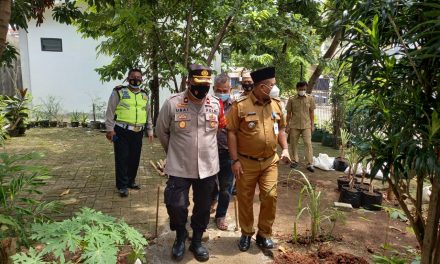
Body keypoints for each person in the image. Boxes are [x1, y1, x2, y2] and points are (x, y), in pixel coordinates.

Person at [156, 64, 222, 262]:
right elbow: (162, 132)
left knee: (203, 207)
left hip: (208, 167)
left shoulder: (216, 104)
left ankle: (197, 241)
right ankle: (180, 236)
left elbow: (216, 133)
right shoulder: (172, 103)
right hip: (179, 166)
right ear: (188, 82)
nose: (202, 89)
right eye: (198, 84)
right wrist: (175, 152)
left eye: (206, 85)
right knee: (176, 205)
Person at [226, 66, 290, 252]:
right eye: (271, 85)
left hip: (270, 161)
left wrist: (285, 148)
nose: (274, 88)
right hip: (246, 162)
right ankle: (246, 233)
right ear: (261, 86)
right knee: (245, 199)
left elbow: (282, 129)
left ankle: (264, 234)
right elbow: (231, 133)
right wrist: (235, 160)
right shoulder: (241, 105)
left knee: (270, 196)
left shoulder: (276, 104)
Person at [105, 68, 153, 198]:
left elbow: (148, 113)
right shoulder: (119, 92)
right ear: (128, 78)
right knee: (122, 158)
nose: (136, 79)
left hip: (138, 132)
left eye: (139, 77)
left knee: (134, 158)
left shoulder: (145, 94)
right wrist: (110, 129)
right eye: (133, 77)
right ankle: (122, 186)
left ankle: (131, 181)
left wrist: (150, 129)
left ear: (142, 80)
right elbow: (110, 111)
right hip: (121, 131)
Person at [211, 73, 234, 231]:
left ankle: (221, 216)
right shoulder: (207, 104)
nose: (222, 93)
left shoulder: (237, 106)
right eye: (218, 90)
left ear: (230, 89)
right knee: (208, 185)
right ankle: (208, 206)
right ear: (213, 89)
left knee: (226, 188)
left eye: (225, 90)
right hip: (209, 153)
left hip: (228, 152)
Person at [285, 81, 316, 172]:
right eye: (300, 89)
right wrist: (287, 125)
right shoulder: (291, 99)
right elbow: (288, 114)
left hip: (306, 125)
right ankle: (294, 161)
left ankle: (309, 163)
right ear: (297, 89)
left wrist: (312, 125)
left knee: (308, 143)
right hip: (294, 125)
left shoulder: (310, 98)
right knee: (293, 143)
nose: (302, 91)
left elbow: (312, 112)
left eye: (304, 89)